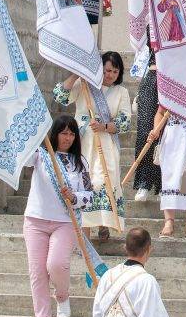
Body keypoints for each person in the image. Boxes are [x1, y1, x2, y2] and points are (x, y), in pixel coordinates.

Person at [23, 115, 93, 317]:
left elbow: (90, 196)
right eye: (63, 133)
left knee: (56, 264)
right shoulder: (40, 155)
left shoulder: (80, 162)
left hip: (65, 222)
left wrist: (73, 197)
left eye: (72, 133)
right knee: (37, 271)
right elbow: (23, 158)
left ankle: (62, 296)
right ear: (55, 134)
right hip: (36, 219)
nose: (68, 137)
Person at [54, 52, 132, 241]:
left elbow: (124, 121)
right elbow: (60, 96)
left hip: (105, 143)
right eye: (107, 70)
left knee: (103, 181)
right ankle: (84, 236)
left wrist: (104, 126)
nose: (110, 74)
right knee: (84, 181)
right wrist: (77, 75)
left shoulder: (121, 92)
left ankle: (103, 222)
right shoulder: (85, 86)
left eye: (115, 71)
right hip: (82, 141)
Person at [92, 227, 172, 317]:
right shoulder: (146, 281)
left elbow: (97, 314)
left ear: (125, 247)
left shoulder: (108, 275)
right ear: (149, 249)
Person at [149, 103, 186, 237]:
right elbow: (160, 112)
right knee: (169, 178)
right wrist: (156, 129)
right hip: (172, 136)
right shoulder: (170, 86)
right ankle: (169, 222)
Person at [132, 41, 162, 203]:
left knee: (167, 134)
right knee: (146, 132)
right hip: (153, 75)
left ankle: (162, 184)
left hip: (176, 74)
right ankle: (144, 182)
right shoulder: (154, 18)